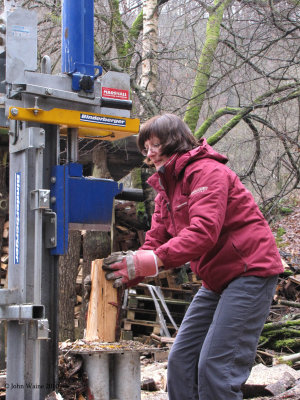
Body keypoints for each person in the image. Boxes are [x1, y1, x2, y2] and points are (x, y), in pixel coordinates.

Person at [103, 114, 284, 400]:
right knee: (181, 362)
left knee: (216, 368)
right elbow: (156, 238)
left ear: (174, 141)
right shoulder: (167, 188)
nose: (149, 154)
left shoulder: (207, 172)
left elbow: (203, 233)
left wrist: (148, 262)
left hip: (250, 271)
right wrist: (132, 268)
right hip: (216, 279)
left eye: (155, 145)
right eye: (145, 147)